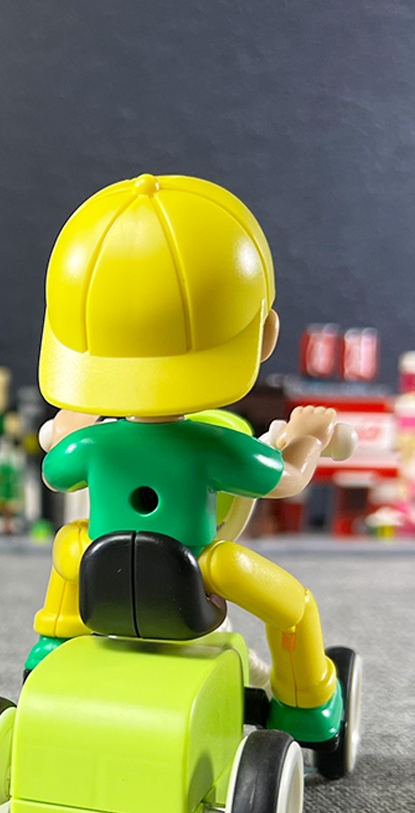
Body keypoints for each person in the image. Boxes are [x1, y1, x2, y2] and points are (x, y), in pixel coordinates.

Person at [28, 173, 343, 745]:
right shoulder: (216, 446)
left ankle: (53, 641)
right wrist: (308, 437)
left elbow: (54, 471)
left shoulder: (93, 444)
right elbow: (290, 479)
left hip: (101, 580)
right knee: (295, 609)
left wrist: (71, 424)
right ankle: (306, 705)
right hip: (200, 579)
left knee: (70, 540)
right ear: (265, 334)